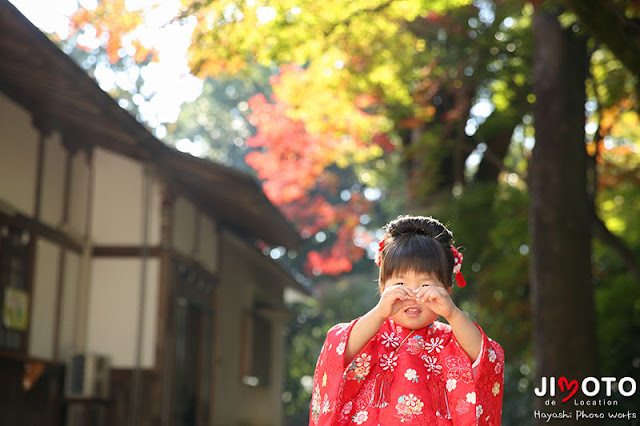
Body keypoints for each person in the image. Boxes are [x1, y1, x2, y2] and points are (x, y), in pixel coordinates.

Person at [309, 215, 504, 425]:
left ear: (447, 291)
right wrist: (378, 313)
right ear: (382, 287)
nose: (412, 294)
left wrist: (453, 314)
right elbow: (338, 350)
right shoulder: (370, 332)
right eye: (400, 283)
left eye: (425, 285)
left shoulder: (451, 338)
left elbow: (486, 357)